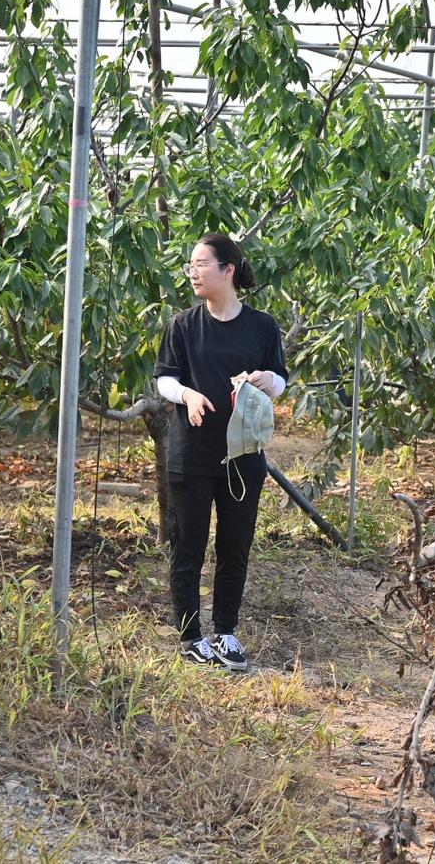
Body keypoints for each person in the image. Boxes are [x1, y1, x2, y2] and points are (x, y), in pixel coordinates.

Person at [154, 233, 289, 670]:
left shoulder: (262, 326)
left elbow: (280, 379)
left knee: (235, 545)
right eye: (190, 265)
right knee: (188, 546)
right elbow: (164, 379)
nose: (193, 272)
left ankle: (226, 632)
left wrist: (268, 380)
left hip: (242, 456)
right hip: (191, 454)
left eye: (201, 264)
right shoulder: (182, 325)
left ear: (228, 269)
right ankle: (191, 636)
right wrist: (188, 396)